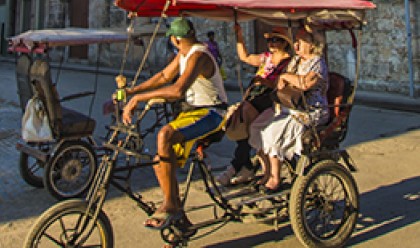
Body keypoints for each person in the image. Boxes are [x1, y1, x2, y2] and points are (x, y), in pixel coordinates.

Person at [120, 17, 229, 230]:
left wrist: (139, 99)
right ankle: (178, 221)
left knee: (165, 135)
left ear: (174, 39)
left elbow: (177, 89)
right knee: (159, 162)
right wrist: (132, 91)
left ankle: (170, 205)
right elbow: (163, 76)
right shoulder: (184, 53)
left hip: (212, 113)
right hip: (193, 114)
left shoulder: (198, 55)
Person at [248, 27, 329, 192]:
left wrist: (286, 78)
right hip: (288, 107)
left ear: (312, 45)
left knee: (270, 133)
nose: (297, 45)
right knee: (256, 127)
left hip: (309, 110)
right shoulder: (295, 61)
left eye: (301, 42)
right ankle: (267, 171)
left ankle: (275, 178)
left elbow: (306, 83)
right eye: (296, 42)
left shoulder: (317, 62)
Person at [216, 24, 294, 186]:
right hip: (255, 101)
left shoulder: (289, 63)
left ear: (285, 43)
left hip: (272, 104)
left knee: (247, 129)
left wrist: (265, 82)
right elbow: (245, 56)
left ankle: (240, 166)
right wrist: (239, 36)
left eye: (275, 40)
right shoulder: (265, 58)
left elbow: (284, 85)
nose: (271, 44)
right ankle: (247, 167)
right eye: (270, 40)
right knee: (240, 126)